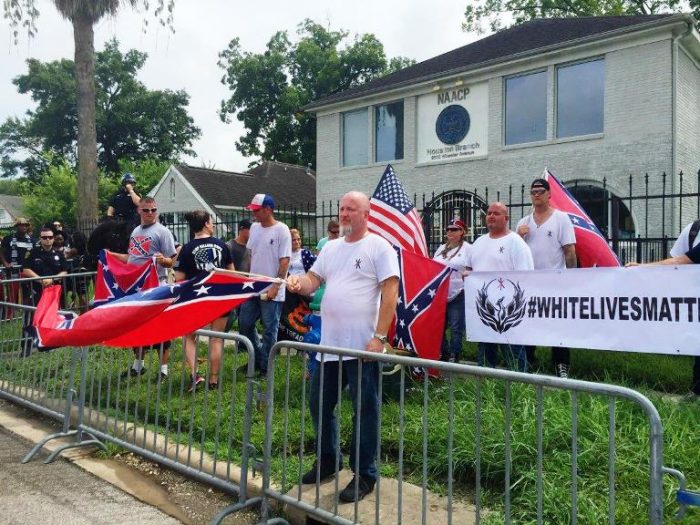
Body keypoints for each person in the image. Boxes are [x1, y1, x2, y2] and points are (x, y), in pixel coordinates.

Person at [286, 191, 400, 503]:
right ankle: (328, 460)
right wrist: (299, 283)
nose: (345, 213)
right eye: (342, 208)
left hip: (362, 347)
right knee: (319, 404)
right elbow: (313, 280)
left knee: (365, 410)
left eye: (352, 209)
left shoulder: (379, 247)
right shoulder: (332, 248)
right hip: (329, 346)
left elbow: (391, 293)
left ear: (367, 214)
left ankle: (365, 474)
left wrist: (379, 337)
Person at [627, 226, 700, 401]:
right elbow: (676, 262)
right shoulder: (693, 230)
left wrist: (644, 267)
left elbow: (682, 261)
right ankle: (697, 392)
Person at [108, 197, 177, 380]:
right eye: (146, 210)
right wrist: (110, 255)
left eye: (154, 210)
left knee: (160, 327)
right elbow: (131, 258)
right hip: (137, 288)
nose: (150, 213)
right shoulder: (135, 232)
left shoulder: (163, 232)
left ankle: (163, 370)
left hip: (156, 285)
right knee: (136, 326)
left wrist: (165, 261)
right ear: (139, 211)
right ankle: (138, 365)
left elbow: (171, 259)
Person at [516, 178, 577, 377]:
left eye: (541, 191)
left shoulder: (561, 219)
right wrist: (518, 237)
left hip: (555, 282)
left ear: (549, 194)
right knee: (528, 323)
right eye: (533, 191)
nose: (536, 194)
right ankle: (527, 361)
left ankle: (561, 364)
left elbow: (569, 251)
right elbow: (515, 253)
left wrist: (571, 279)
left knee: (557, 324)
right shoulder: (523, 223)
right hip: (529, 283)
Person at [464, 202, 534, 372]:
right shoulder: (478, 242)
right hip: (485, 310)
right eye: (489, 213)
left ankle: (520, 387)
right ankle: (486, 387)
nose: (491, 216)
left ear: (506, 218)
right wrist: (467, 276)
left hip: (509, 311)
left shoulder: (515, 242)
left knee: (513, 352)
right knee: (485, 352)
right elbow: (469, 269)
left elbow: (526, 276)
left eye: (496, 213)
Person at [174, 210, 234, 391]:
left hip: (196, 299)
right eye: (212, 221)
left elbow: (179, 279)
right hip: (219, 297)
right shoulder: (222, 245)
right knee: (216, 339)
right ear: (206, 224)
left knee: (189, 337)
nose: (213, 224)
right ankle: (213, 380)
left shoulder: (186, 248)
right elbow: (233, 274)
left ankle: (195, 374)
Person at [238, 193, 291, 377]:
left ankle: (264, 367)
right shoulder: (254, 228)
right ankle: (258, 356)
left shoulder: (282, 230)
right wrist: (245, 279)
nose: (254, 214)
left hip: (272, 287)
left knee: (270, 328)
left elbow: (284, 261)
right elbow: (250, 254)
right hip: (253, 286)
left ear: (268, 210)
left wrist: (276, 287)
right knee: (244, 323)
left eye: (257, 210)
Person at [20, 227, 68, 355]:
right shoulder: (33, 253)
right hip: (36, 291)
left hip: (53, 293)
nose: (48, 240)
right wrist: (41, 280)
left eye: (50, 237)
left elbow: (65, 271)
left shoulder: (58, 254)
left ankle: (51, 345)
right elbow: (25, 269)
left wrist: (52, 279)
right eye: (44, 237)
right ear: (40, 238)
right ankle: (26, 349)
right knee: (30, 318)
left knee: (52, 318)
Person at [432, 219, 471, 362]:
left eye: (454, 229)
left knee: (456, 327)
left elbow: (472, 268)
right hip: (440, 293)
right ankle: (444, 351)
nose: (450, 232)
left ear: (462, 232)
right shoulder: (441, 248)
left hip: (458, 292)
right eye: (448, 229)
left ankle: (456, 354)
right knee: (439, 325)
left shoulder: (468, 249)